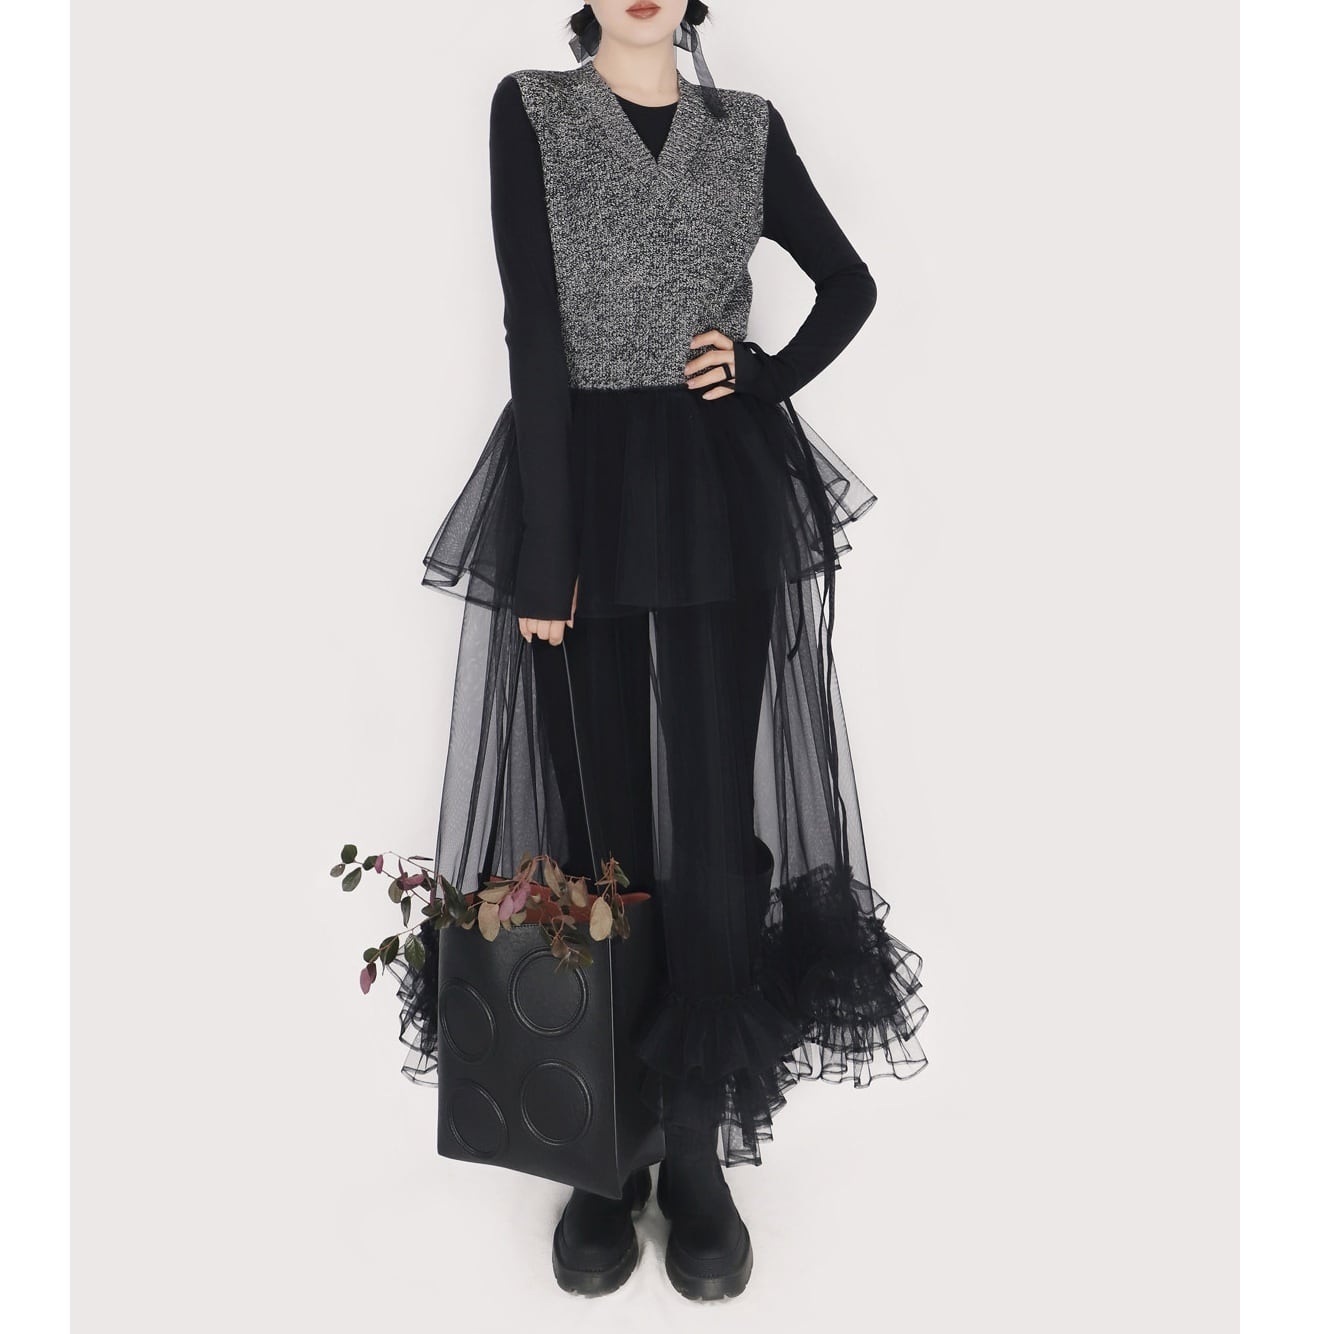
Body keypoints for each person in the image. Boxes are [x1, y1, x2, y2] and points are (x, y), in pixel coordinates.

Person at [393, 1, 928, 1302]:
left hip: (713, 491)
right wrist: (546, 548)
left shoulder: (747, 129)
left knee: (710, 815)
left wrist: (761, 373)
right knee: (598, 820)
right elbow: (532, 326)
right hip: (574, 484)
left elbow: (850, 284)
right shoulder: (531, 108)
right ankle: (603, 1146)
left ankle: (692, 1141)